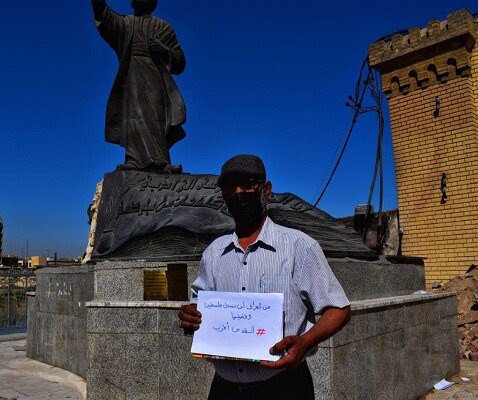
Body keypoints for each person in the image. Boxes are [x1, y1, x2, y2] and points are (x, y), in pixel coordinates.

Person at [178, 154, 351, 399]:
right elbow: (199, 304)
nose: (238, 193)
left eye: (247, 184)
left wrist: (305, 342)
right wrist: (190, 316)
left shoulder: (299, 246)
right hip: (224, 390)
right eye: (230, 187)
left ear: (266, 190)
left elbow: (339, 309)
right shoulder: (213, 253)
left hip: (284, 388)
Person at [91, 0, 186, 174]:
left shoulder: (163, 27)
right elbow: (105, 17)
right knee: (133, 116)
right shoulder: (126, 23)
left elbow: (180, 61)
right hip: (132, 76)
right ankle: (134, 160)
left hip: (155, 78)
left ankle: (161, 162)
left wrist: (164, 50)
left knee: (156, 116)